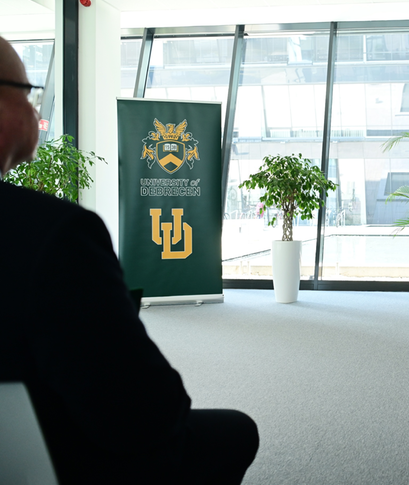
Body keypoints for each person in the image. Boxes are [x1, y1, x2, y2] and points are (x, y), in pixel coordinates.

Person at [0, 36, 259, 484]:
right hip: (53, 461)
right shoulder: (53, 235)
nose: (35, 110)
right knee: (235, 432)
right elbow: (144, 411)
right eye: (27, 93)